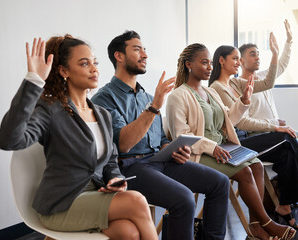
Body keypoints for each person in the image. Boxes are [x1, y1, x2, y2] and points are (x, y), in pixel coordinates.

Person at [0, 36, 158, 239]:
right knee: (136, 201)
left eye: (95, 62)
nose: (94, 69)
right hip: (61, 203)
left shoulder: (102, 113)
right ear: (64, 71)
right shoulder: (50, 109)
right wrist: (33, 81)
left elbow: (110, 160)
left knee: (128, 232)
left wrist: (115, 178)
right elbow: (9, 140)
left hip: (95, 196)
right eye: (84, 63)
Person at [91, 30, 230, 240]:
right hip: (129, 168)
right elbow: (124, 144)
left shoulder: (147, 96)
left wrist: (174, 150)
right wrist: (155, 107)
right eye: (137, 49)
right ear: (119, 56)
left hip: (159, 161)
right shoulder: (105, 97)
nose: (145, 55)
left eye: (144, 50)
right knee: (184, 199)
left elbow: (162, 140)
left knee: (220, 183)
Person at [208, 26, 298, 230]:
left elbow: (269, 81)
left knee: (288, 151)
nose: (237, 62)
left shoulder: (236, 85)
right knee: (286, 138)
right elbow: (240, 122)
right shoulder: (219, 88)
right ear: (222, 61)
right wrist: (274, 127)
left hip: (252, 136)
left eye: (237, 58)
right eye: (234, 59)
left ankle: (285, 207)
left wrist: (279, 50)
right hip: (240, 141)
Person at [166, 43, 296, 240]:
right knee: (244, 172)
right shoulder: (178, 95)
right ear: (188, 65)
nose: (210, 67)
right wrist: (212, 147)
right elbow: (181, 135)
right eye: (204, 62)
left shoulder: (210, 92)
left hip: (223, 146)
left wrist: (243, 101)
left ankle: (255, 225)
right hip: (200, 153)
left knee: (257, 166)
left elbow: (229, 120)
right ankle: (267, 223)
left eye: (210, 63)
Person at [238, 20, 298, 166]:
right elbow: (244, 122)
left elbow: (281, 64)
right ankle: (287, 183)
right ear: (241, 61)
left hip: (278, 129)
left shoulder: (264, 77)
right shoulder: (237, 85)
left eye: (258, 54)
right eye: (252, 54)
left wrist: (289, 41)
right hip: (261, 134)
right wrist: (273, 124)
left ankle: (281, 183)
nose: (257, 57)